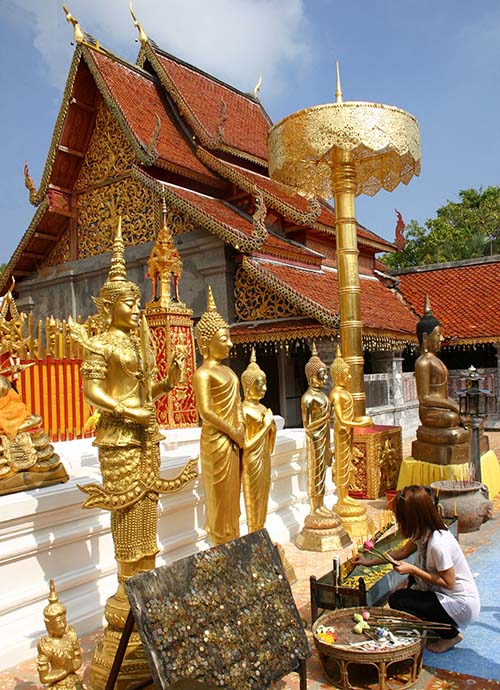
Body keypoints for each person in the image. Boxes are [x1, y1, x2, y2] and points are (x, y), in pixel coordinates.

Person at [70, 219, 196, 626]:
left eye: (136, 300)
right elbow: (92, 393)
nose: (135, 307)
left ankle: (149, 584)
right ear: (109, 306)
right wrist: (127, 411)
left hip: (147, 436)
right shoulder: (101, 342)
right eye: (128, 302)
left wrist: (169, 382)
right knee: (126, 513)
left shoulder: (139, 341)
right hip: (119, 439)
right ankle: (128, 592)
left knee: (148, 512)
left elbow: (147, 393)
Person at [354, 485, 480, 653]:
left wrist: (413, 570)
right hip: (442, 593)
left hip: (461, 604)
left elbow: (449, 583)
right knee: (400, 597)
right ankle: (434, 622)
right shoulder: (423, 531)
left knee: (400, 600)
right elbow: (402, 551)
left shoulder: (438, 544)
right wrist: (368, 561)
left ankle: (451, 635)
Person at [193, 286, 244, 545]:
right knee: (218, 499)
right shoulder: (203, 374)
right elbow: (206, 412)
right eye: (224, 339)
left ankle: (233, 539)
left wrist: (242, 427)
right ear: (205, 342)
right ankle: (219, 544)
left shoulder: (230, 373)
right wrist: (232, 430)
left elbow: (238, 405)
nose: (230, 343)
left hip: (235, 443)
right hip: (216, 443)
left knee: (233, 500)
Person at [240, 349, 276, 533]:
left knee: (263, 497)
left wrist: (271, 428)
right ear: (248, 386)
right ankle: (253, 533)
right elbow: (245, 445)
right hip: (252, 461)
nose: (264, 389)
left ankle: (261, 530)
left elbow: (270, 444)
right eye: (260, 385)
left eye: (265, 384)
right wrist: (266, 426)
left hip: (264, 458)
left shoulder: (262, 407)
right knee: (253, 500)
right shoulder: (243, 410)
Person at [301, 344, 332, 518]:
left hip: (324, 436)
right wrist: (325, 418)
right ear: (312, 376)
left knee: (323, 471)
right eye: (322, 375)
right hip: (314, 438)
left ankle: (322, 504)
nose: (326, 378)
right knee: (315, 472)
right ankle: (315, 507)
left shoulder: (322, 395)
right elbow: (308, 425)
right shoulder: (308, 397)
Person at [37, 580, 83, 690]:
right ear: (49, 625)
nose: (63, 625)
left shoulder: (70, 636)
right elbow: (44, 678)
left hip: (73, 680)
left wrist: (71, 667)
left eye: (64, 620)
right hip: (58, 685)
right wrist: (64, 672)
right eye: (58, 622)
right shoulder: (46, 646)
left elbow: (78, 660)